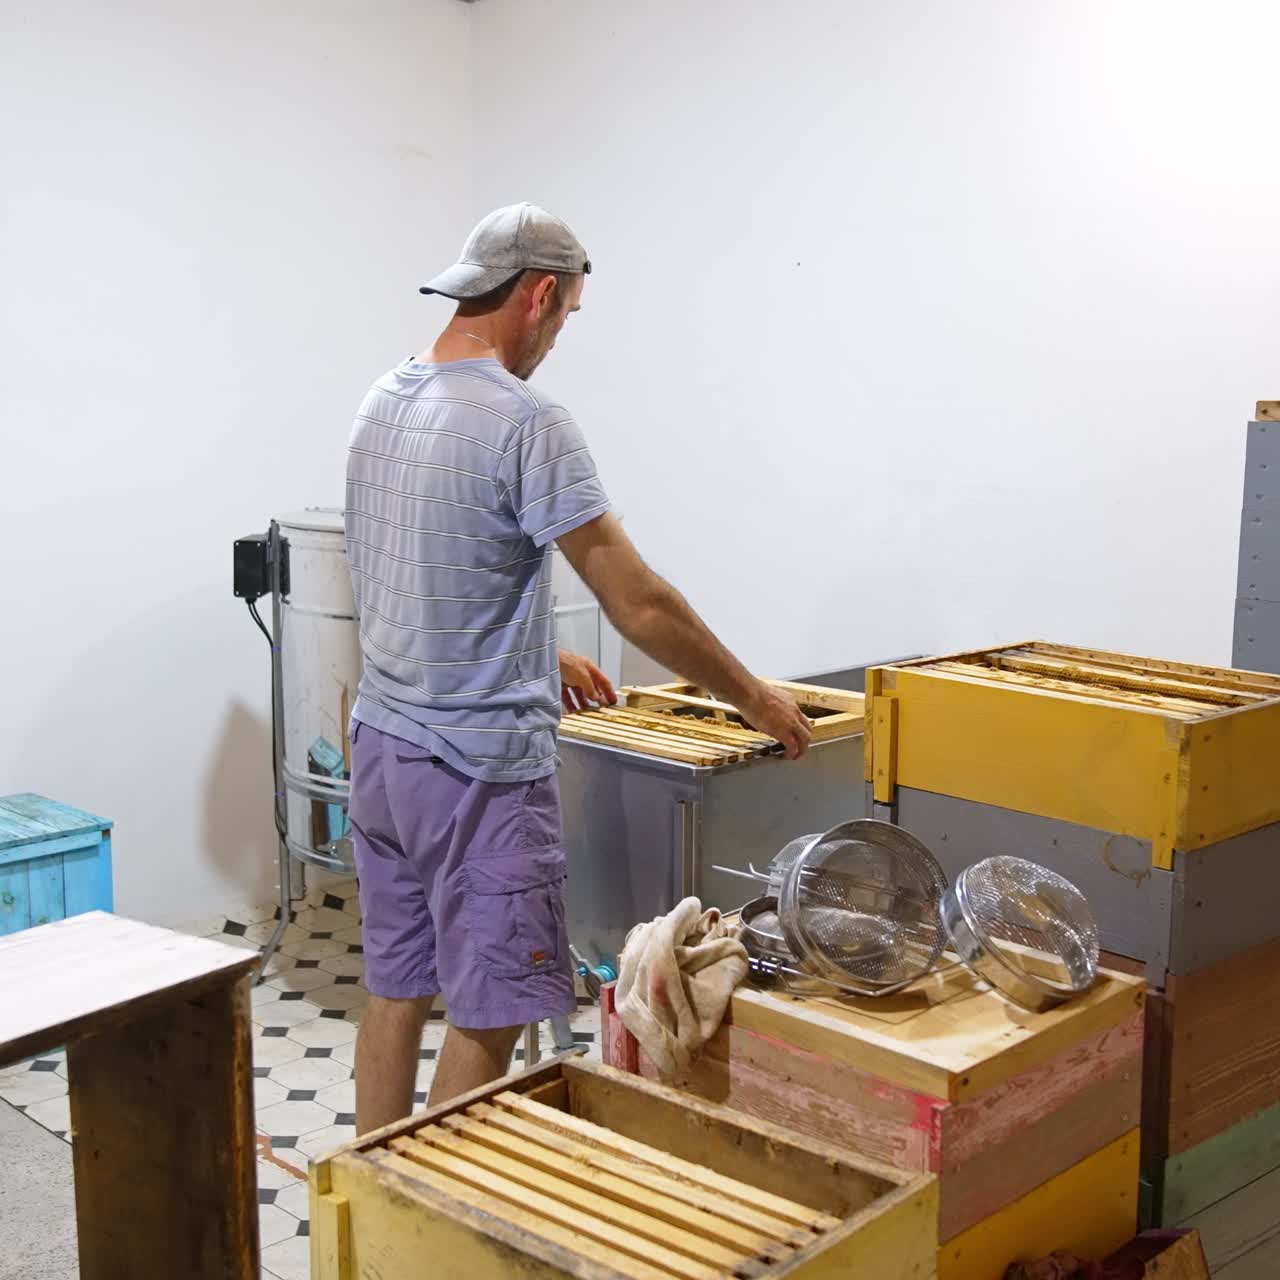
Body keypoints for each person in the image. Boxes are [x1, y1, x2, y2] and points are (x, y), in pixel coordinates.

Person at [344, 202, 812, 1133]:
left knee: (398, 990)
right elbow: (637, 602)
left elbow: (414, 566)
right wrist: (755, 698)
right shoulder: (527, 421)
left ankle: (370, 1221)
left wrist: (528, 645)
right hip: (476, 774)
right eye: (565, 319)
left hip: (383, 751)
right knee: (493, 1010)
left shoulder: (383, 398)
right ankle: (435, 1242)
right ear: (540, 295)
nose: (557, 340)